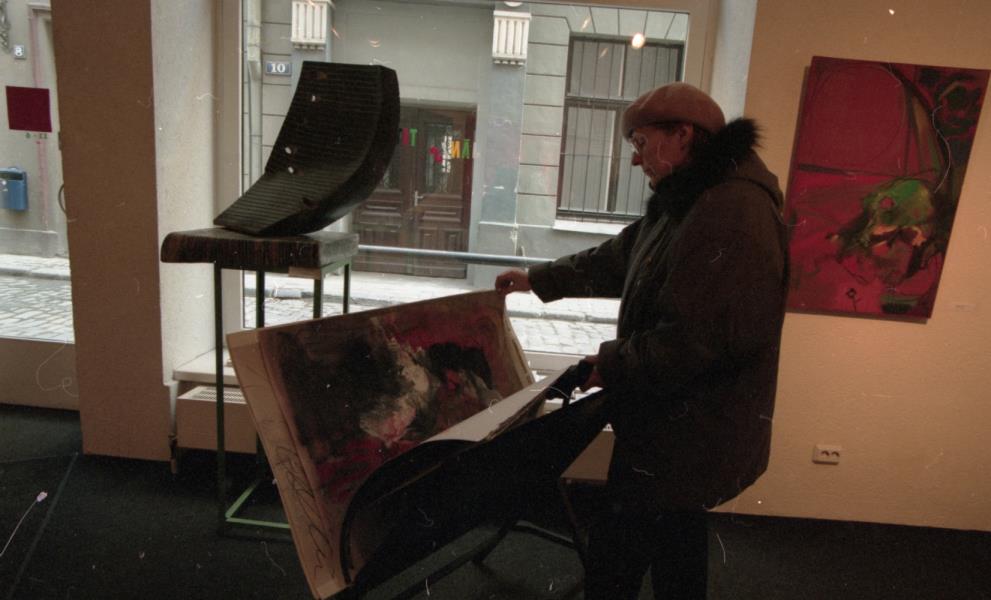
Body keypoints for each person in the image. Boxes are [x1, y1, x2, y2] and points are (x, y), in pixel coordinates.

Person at [496, 82, 789, 599]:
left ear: (683, 135)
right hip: (676, 422)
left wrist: (609, 364)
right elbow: (623, 256)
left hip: (685, 428)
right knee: (676, 539)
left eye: (641, 143)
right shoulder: (692, 196)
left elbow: (695, 340)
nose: (635, 159)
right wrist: (539, 279)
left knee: (619, 550)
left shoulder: (730, 211)